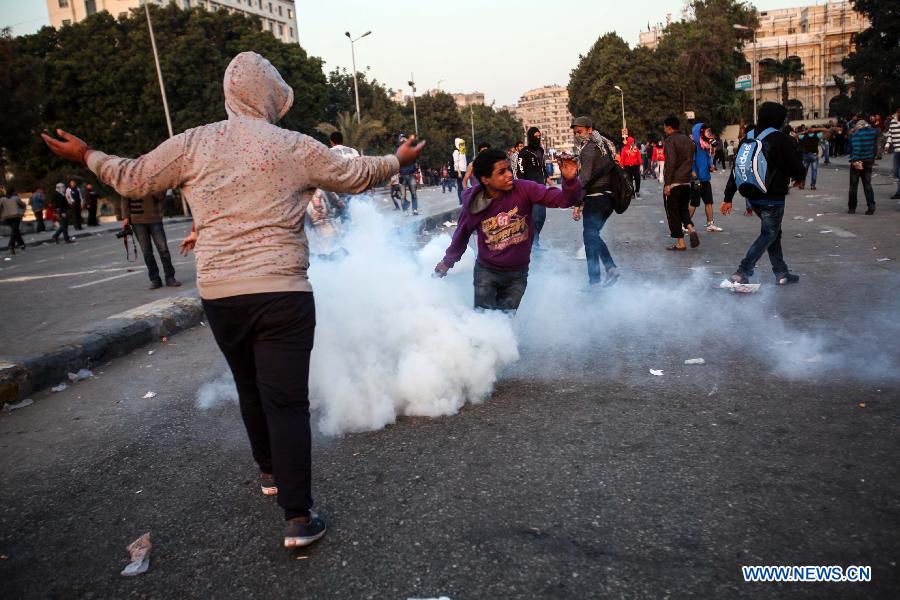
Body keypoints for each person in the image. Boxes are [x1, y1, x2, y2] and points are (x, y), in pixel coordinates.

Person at [42, 51, 424, 549]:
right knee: (285, 402)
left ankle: (269, 472)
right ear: (269, 94)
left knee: (249, 387)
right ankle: (297, 518)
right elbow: (355, 175)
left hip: (222, 294)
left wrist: (85, 154)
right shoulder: (292, 145)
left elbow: (133, 177)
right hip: (282, 292)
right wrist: (399, 160)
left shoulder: (196, 142)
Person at [434, 148, 581, 311]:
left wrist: (570, 181)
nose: (509, 175)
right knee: (485, 321)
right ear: (486, 179)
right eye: (501, 172)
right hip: (486, 273)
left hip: (517, 276)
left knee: (504, 322)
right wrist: (446, 263)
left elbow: (564, 200)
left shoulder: (525, 189)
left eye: (509, 169)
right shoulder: (474, 204)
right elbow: (461, 237)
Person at [722, 101, 806, 285]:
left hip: (752, 196)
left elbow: (737, 168)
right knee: (769, 233)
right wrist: (800, 177)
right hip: (772, 198)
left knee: (774, 233)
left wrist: (728, 197)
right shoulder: (779, 138)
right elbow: (796, 166)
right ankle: (743, 271)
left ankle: (781, 273)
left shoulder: (748, 137)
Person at [570, 116, 620, 287]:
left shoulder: (589, 149)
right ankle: (609, 270)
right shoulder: (605, 145)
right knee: (592, 236)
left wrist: (577, 204)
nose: (578, 135)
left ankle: (596, 282)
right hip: (609, 199)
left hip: (596, 199)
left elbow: (584, 180)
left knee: (590, 236)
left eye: (580, 131)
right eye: (575, 132)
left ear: (590, 130)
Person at [121, 191, 182, 289]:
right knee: (147, 252)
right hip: (137, 220)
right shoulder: (129, 180)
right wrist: (126, 217)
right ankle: (155, 279)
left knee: (163, 250)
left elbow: (160, 195)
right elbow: (124, 198)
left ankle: (170, 277)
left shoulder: (152, 179)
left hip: (155, 218)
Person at [662, 116, 698, 251]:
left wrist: (667, 184)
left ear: (669, 127)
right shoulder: (688, 140)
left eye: (665, 127)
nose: (664, 129)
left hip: (675, 183)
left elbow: (670, 164)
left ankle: (681, 242)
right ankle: (690, 227)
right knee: (683, 209)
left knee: (673, 213)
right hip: (687, 182)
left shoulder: (670, 140)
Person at [516, 127, 552, 249]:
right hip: (530, 191)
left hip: (542, 189)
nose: (538, 138)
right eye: (536, 136)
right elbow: (520, 172)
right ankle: (534, 243)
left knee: (542, 217)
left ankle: (534, 240)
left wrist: (549, 182)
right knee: (535, 217)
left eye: (539, 136)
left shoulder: (541, 151)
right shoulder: (524, 152)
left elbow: (543, 169)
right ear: (531, 137)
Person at [689, 122, 722, 232]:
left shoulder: (706, 147)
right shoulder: (693, 146)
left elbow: (708, 161)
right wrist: (695, 178)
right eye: (707, 132)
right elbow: (691, 164)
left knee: (709, 202)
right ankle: (685, 225)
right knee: (694, 203)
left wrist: (711, 166)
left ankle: (710, 224)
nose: (709, 134)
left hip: (706, 179)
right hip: (697, 180)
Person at [847, 114, 879, 215]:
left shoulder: (856, 135)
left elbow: (856, 148)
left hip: (857, 162)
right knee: (867, 185)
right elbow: (875, 148)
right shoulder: (872, 134)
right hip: (868, 161)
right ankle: (871, 206)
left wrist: (855, 161)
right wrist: (872, 159)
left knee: (853, 186)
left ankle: (852, 208)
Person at [328, 131, 360, 222]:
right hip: (355, 183)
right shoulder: (353, 151)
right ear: (342, 140)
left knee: (344, 209)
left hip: (340, 186)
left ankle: (348, 229)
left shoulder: (328, 152)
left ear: (331, 141)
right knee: (354, 207)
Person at [797, 125, 826, 190]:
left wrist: (804, 132)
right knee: (814, 171)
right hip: (814, 155)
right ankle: (813, 186)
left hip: (806, 155)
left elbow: (796, 135)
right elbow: (826, 130)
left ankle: (802, 184)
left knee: (804, 171)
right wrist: (816, 129)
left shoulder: (804, 136)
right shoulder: (817, 135)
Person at [396, 133, 419, 215]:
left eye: (404, 138)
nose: (403, 139)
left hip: (411, 174)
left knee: (414, 193)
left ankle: (414, 209)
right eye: (401, 138)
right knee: (403, 195)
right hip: (402, 175)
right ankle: (405, 210)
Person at [1, 187, 27, 255]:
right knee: (15, 230)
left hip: (6, 217)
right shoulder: (16, 198)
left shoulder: (2, 199)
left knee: (15, 230)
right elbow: (23, 205)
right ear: (13, 192)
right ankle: (11, 244)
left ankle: (21, 244)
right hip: (16, 216)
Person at [885, 107, 900, 200]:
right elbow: (890, 135)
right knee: (895, 172)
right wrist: (887, 145)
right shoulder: (893, 122)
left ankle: (899, 193)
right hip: (896, 150)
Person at [453, 138, 467, 204]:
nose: (462, 145)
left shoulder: (463, 152)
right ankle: (461, 201)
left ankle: (464, 199)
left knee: (464, 185)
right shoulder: (456, 152)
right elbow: (456, 163)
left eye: (463, 144)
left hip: (464, 171)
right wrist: (459, 173)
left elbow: (464, 162)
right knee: (460, 186)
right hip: (459, 171)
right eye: (461, 144)